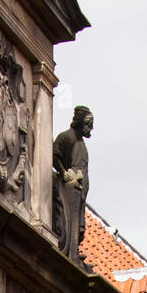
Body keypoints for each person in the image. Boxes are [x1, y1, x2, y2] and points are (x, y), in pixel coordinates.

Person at [53, 106, 93, 264]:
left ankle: (74, 249)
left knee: (80, 222)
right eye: (88, 124)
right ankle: (71, 250)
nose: (91, 128)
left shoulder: (81, 142)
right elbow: (54, 155)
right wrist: (64, 172)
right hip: (72, 185)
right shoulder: (66, 137)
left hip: (82, 186)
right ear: (80, 122)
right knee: (72, 217)